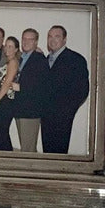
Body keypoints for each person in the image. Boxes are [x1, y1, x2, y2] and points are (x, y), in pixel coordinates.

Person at [41, 25, 90, 154]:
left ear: (64, 39)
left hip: (62, 117)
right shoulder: (46, 59)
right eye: (50, 36)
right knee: (48, 152)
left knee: (59, 153)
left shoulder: (76, 59)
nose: (52, 40)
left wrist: (66, 112)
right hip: (45, 115)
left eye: (57, 36)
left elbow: (82, 90)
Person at [10, 28, 50, 152]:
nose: (26, 42)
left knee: (27, 149)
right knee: (26, 146)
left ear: (36, 42)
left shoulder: (40, 59)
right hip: (19, 108)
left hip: (31, 111)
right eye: (24, 39)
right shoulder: (20, 57)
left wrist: (21, 87)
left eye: (30, 39)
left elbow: (42, 86)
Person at [0, 36, 21, 151]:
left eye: (11, 46)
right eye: (6, 46)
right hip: (4, 98)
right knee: (1, 130)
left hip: (7, 100)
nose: (7, 48)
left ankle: (6, 155)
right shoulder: (8, 60)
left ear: (16, 49)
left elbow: (7, 82)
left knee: (2, 131)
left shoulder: (13, 62)